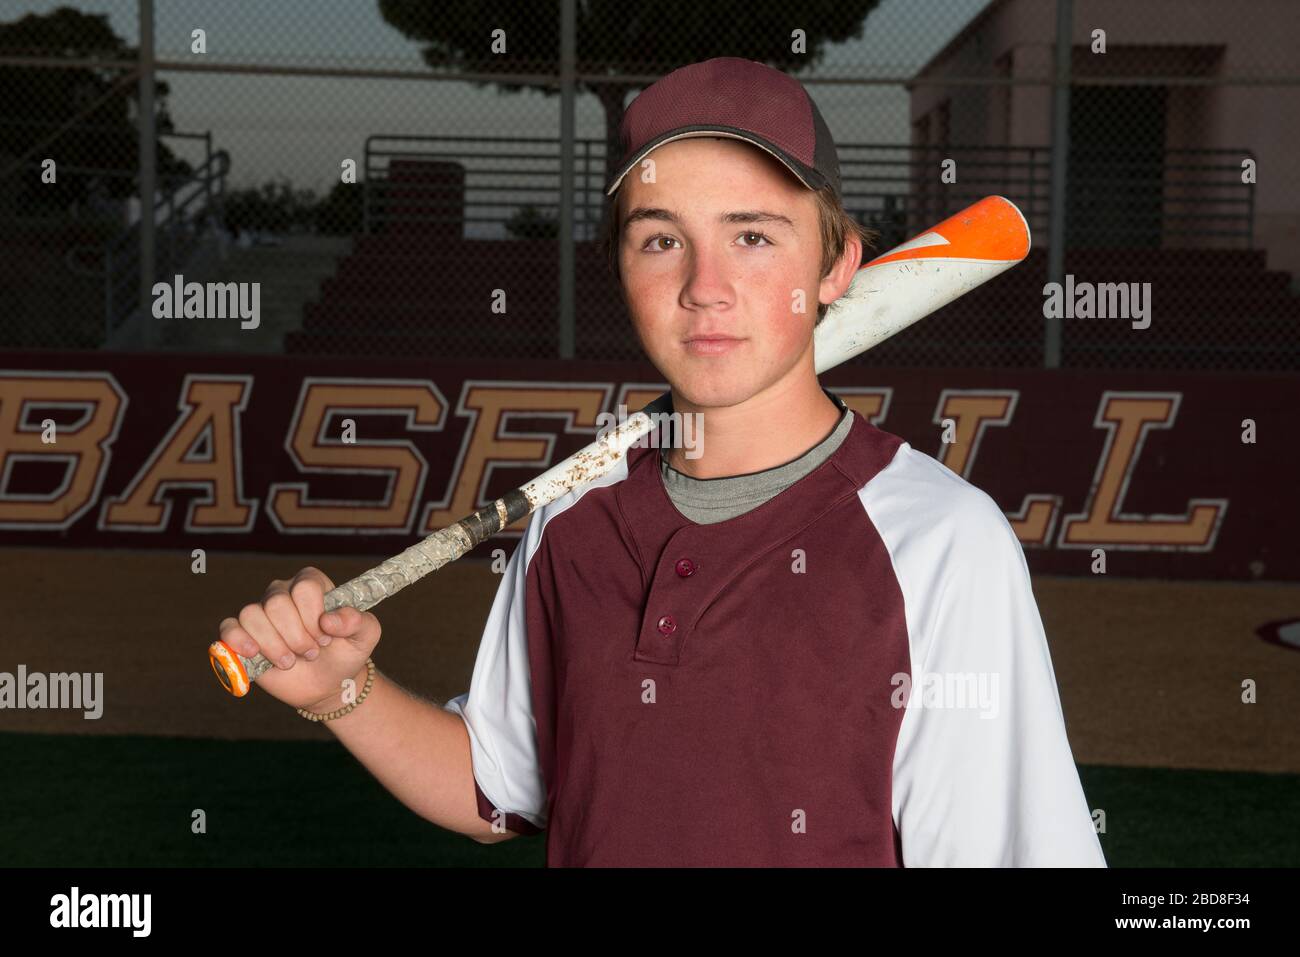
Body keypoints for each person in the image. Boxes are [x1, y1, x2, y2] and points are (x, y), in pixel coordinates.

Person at [218, 57, 1105, 867]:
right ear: (621, 265)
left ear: (838, 264)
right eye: (660, 238)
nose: (703, 285)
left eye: (752, 235)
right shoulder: (574, 520)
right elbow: (504, 786)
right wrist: (344, 691)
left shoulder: (940, 543)